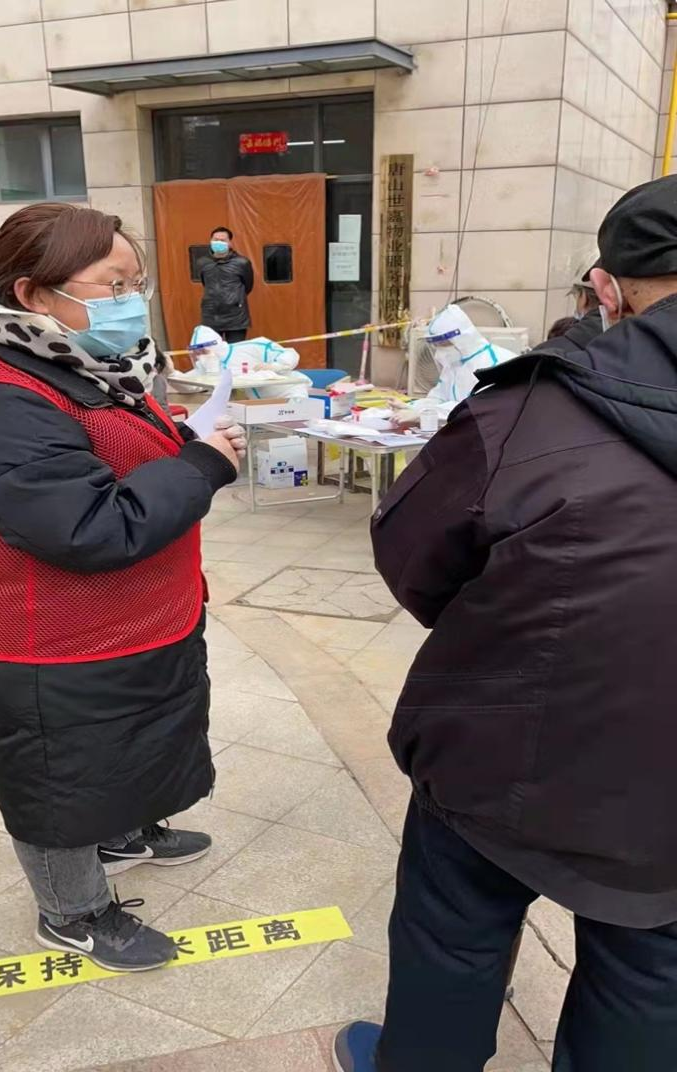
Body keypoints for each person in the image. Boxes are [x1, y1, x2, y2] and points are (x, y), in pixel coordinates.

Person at [334, 173, 677, 1072]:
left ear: (607, 288)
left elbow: (415, 558)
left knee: (453, 938)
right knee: (652, 977)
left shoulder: (530, 408)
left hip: (506, 753)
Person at [0, 203, 246, 974]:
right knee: (58, 780)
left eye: (137, 282)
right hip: (50, 640)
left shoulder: (75, 357)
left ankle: (123, 833)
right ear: (33, 293)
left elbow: (108, 449)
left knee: (131, 745)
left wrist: (182, 440)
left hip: (134, 620)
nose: (132, 300)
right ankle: (72, 911)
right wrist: (201, 467)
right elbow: (84, 527)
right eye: (113, 284)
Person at [390, 304, 517, 427]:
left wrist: (422, 415)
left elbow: (473, 409)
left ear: (461, 339)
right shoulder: (454, 364)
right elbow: (438, 398)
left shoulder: (496, 363)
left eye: (443, 345)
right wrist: (411, 407)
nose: (439, 353)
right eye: (436, 346)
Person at [198, 226, 254, 343]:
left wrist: (234, 299)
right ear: (211, 241)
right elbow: (205, 283)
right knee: (212, 351)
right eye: (216, 239)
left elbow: (248, 286)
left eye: (223, 240)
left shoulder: (242, 262)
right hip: (211, 316)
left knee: (235, 351)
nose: (218, 242)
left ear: (229, 243)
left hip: (236, 317)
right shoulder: (203, 263)